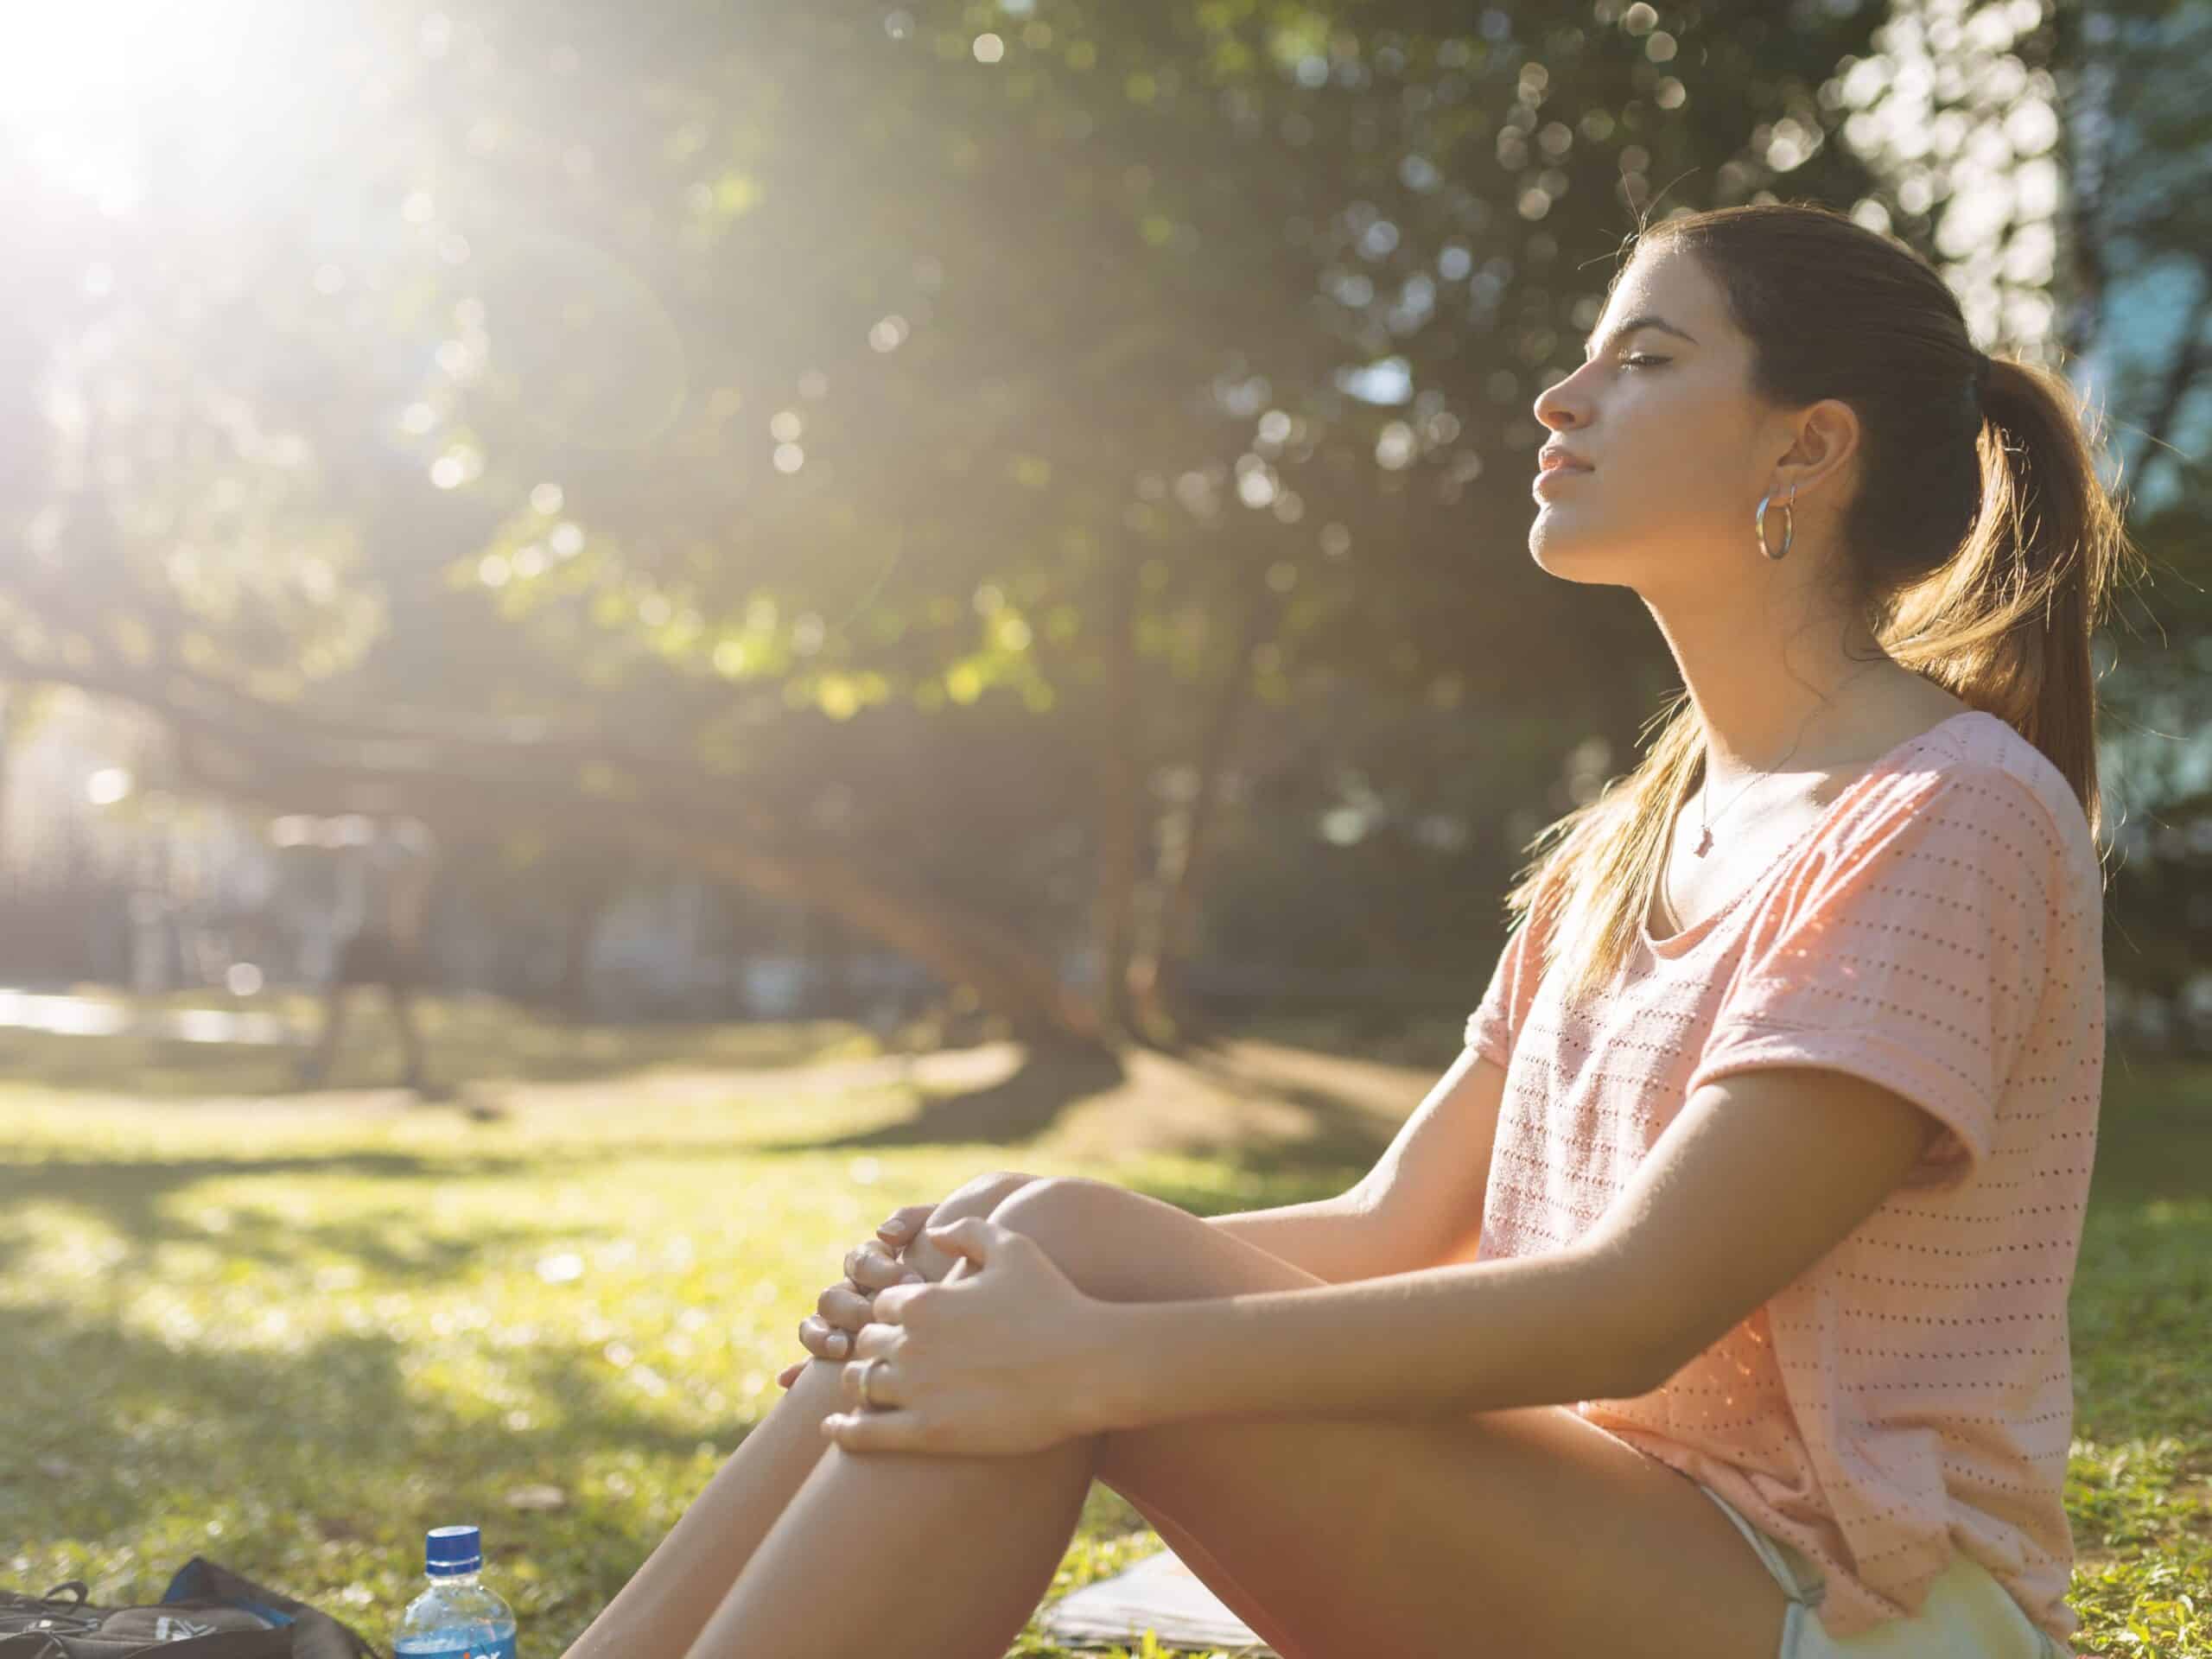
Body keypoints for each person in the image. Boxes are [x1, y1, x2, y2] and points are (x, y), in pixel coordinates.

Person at [552, 202, 2126, 1659]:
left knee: (1063, 1281)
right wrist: (980, 1298)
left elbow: (1633, 1307)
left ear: (1811, 446)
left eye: (1643, 360)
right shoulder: (1630, 837)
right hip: (1606, 1533)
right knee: (1020, 1233)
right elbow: (1391, 1225)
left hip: (1848, 1610)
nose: (1559, 400)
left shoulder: (1946, 813)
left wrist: (1084, 1357)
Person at [295, 815, 440, 1094]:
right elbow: (323, 836)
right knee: (338, 1002)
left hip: (385, 936)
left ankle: (415, 1066)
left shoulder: (406, 843)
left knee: (400, 1005)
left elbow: (415, 884)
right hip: (359, 935)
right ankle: (319, 1064)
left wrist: (406, 925)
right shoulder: (356, 835)